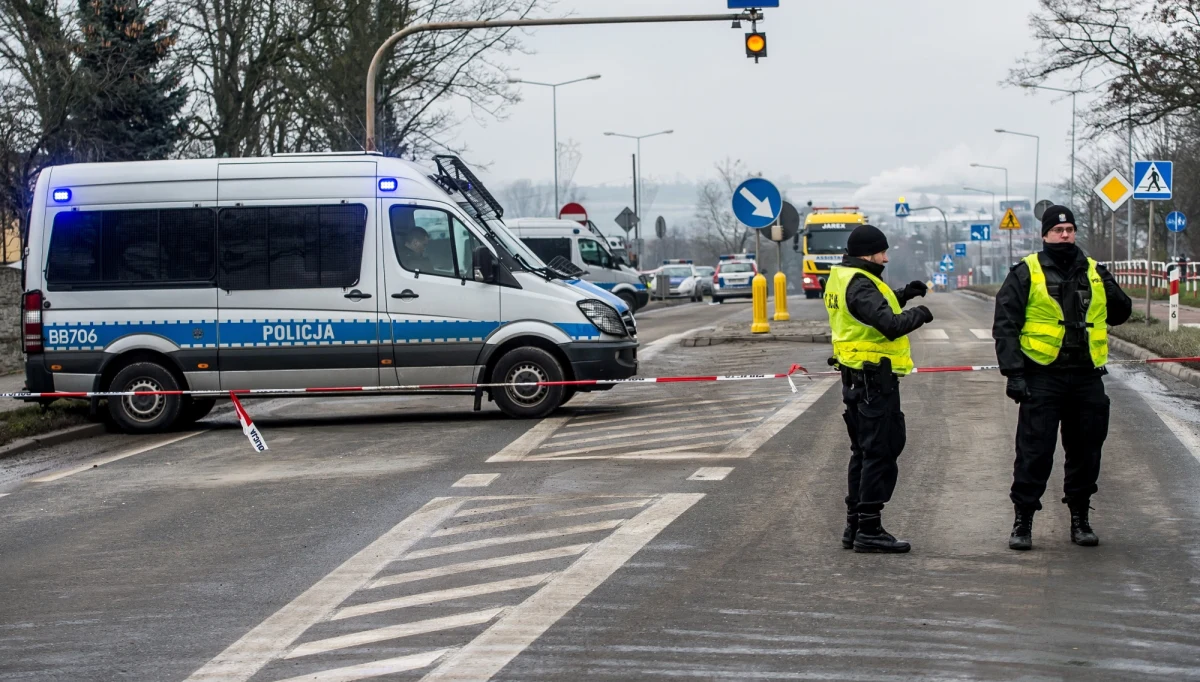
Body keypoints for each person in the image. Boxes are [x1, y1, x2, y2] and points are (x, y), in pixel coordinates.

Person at [993, 205, 1132, 550]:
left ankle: (1080, 519)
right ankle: (1023, 521)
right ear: (1045, 235)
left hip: (1086, 377)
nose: (1065, 235)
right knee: (1034, 452)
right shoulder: (1027, 271)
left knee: (1086, 452)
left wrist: (1109, 284)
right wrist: (1013, 373)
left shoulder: (1095, 271)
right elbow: (1005, 325)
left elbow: (1121, 313)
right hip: (1042, 377)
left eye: (1069, 229)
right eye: (1058, 231)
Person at [825, 224, 934, 553]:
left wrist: (903, 294)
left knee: (863, 453)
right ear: (867, 253)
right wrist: (919, 314)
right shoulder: (860, 282)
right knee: (880, 452)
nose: (886, 258)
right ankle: (869, 529)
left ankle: (855, 525)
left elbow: (869, 311)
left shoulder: (846, 277)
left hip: (857, 378)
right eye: (882, 252)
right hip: (874, 382)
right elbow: (888, 324)